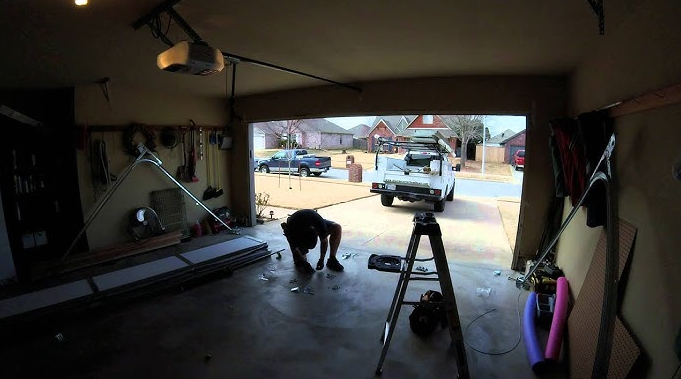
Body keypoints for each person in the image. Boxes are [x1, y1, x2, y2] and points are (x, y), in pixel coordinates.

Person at [280, 209, 344, 274]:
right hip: (297, 228)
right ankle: (302, 259)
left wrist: (321, 259)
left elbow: (324, 241)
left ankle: (332, 260)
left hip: (311, 219)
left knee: (336, 227)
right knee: (299, 263)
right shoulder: (293, 229)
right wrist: (305, 263)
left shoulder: (318, 222)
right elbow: (294, 247)